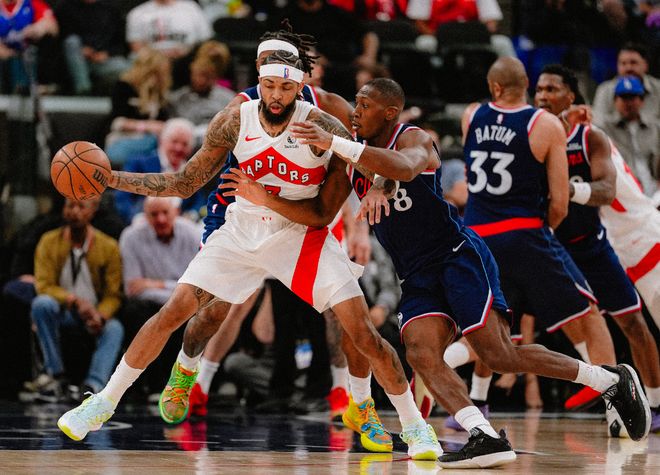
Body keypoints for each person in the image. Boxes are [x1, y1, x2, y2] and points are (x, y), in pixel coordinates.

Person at [223, 75, 650, 467]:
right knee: (420, 352)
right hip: (415, 274)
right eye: (356, 102)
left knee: (498, 354)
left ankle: (608, 379)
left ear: (389, 112)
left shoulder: (415, 137)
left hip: (456, 257)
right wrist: (269, 196)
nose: (356, 110)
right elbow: (337, 199)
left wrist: (368, 170)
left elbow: (405, 166)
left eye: (365, 104)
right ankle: (483, 435)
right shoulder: (356, 152)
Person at [57, 51, 442, 461]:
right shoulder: (234, 120)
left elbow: (366, 168)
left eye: (286, 87)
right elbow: (184, 183)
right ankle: (104, 402)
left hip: (300, 235)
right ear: (258, 80)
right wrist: (111, 178)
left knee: (363, 333)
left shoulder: (322, 124)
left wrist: (380, 186)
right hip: (242, 229)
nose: (276, 95)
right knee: (176, 311)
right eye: (269, 85)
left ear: (300, 86)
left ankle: (415, 428)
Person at [186, 24, 369, 424]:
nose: (279, 82)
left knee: (338, 307)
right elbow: (212, 163)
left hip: (306, 214)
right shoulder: (244, 103)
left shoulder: (329, 107)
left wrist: (359, 228)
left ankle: (342, 389)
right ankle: (200, 383)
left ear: (303, 74)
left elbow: (353, 166)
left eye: (290, 69)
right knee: (230, 301)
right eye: (271, 69)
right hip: (251, 211)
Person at [534, 64, 660, 431]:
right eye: (538, 89)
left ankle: (652, 403)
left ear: (571, 96)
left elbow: (605, 191)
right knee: (590, 322)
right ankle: (621, 397)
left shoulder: (591, 136)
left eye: (551, 89)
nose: (542, 96)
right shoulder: (539, 135)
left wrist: (565, 189)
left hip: (642, 235)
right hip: (599, 242)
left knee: (636, 325)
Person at [31, 198, 123, 400]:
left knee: (114, 328)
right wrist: (74, 301)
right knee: (41, 304)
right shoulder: (48, 241)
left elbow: (114, 294)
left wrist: (100, 315)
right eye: (70, 206)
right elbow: (43, 285)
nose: (74, 212)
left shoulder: (108, 246)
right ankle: (55, 375)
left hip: (94, 315)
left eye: (81, 206)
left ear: (93, 211)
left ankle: (94, 385)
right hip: (64, 312)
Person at [118, 196, 200, 397]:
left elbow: (199, 286)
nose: (161, 219)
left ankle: (186, 385)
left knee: (198, 311)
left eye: (165, 213)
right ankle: (148, 384)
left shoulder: (192, 233)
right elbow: (133, 289)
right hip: (152, 304)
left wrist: (156, 284)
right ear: (145, 216)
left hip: (185, 302)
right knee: (134, 311)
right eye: (154, 214)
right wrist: (176, 290)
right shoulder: (131, 237)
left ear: (176, 213)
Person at [114, 118, 206, 224]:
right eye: (174, 142)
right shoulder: (139, 164)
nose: (178, 148)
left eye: (184, 144)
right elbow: (122, 198)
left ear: (191, 148)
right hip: (144, 224)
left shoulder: (192, 171)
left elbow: (199, 201)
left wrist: (191, 215)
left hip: (179, 227)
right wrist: (136, 218)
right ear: (162, 141)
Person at [105, 47, 172, 167]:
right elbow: (117, 123)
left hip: (154, 142)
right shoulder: (124, 86)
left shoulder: (161, 94)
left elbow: (164, 124)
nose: (160, 79)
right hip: (123, 139)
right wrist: (147, 126)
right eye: (157, 74)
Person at [597, 76, 659, 199]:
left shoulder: (655, 128)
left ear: (642, 100)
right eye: (623, 97)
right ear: (615, 101)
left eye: (632, 97)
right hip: (623, 192)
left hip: (654, 190)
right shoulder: (605, 128)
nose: (628, 103)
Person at [168, 41, 236, 147]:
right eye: (199, 75)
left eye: (207, 76)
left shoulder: (229, 99)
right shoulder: (176, 99)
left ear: (215, 76)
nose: (201, 81)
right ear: (192, 72)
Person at [56, 0, 130, 95]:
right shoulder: (65, 7)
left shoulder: (110, 8)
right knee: (72, 42)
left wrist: (107, 53)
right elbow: (58, 38)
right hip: (74, 60)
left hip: (104, 60)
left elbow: (120, 41)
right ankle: (83, 89)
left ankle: (103, 89)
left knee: (127, 69)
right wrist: (81, 49)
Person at [592, 43, 660, 125]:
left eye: (633, 63)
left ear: (645, 65)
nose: (628, 68)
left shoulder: (658, 88)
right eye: (623, 63)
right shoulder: (605, 90)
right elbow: (598, 123)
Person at [0, 0, 58, 94]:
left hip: (27, 54)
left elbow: (53, 27)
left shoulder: (32, 3)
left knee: (30, 53)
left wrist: (39, 28)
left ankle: (31, 87)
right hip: (5, 61)